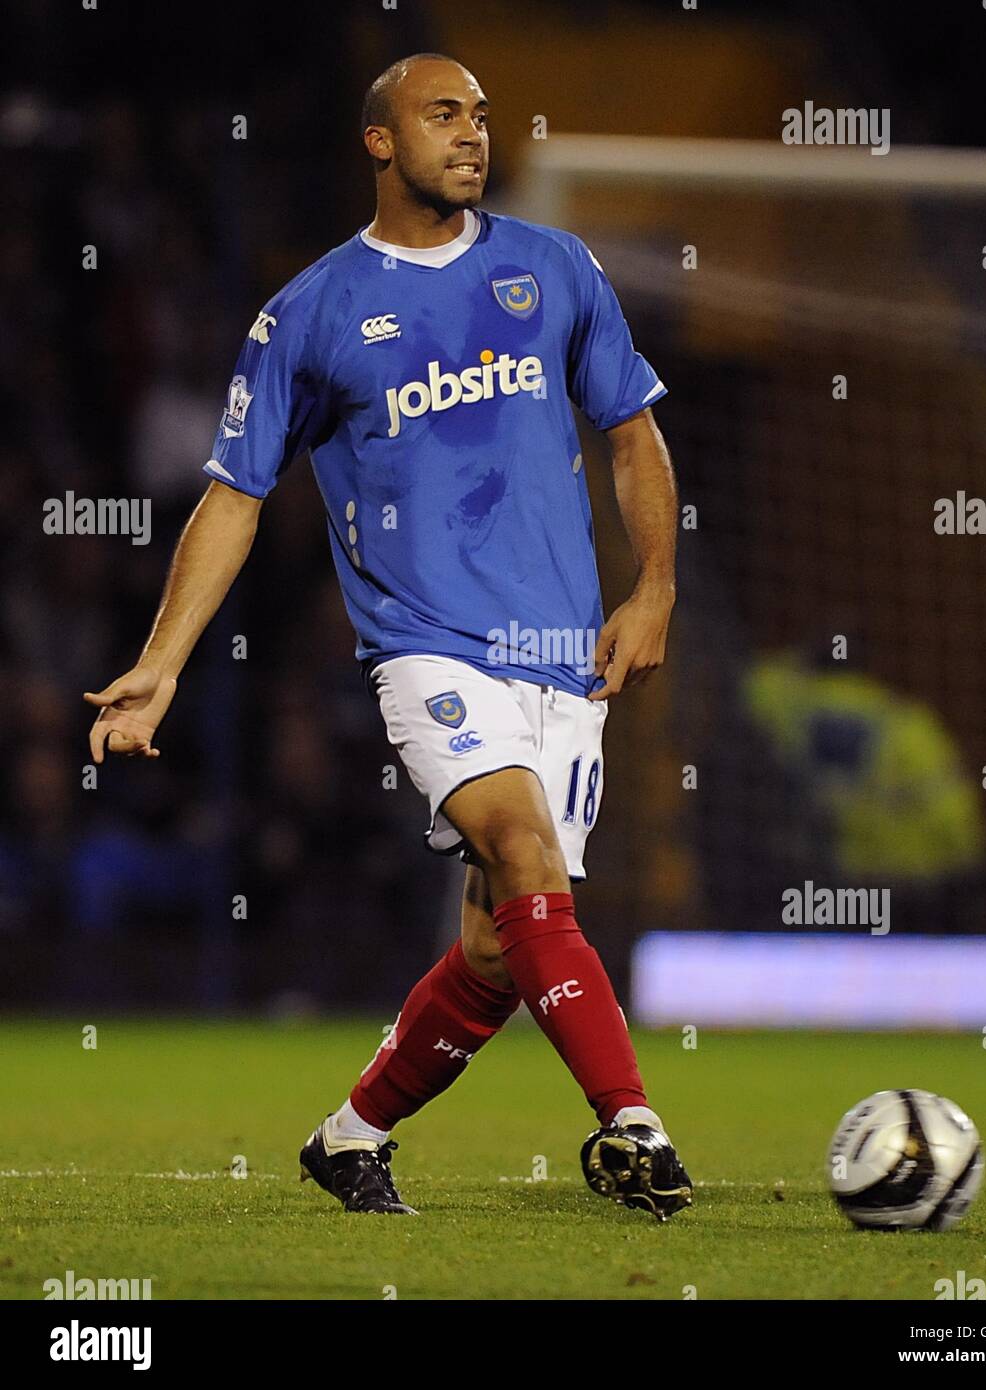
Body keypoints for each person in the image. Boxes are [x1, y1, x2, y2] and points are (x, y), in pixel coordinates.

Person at [85, 53, 691, 1221]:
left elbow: (632, 431)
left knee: (501, 953)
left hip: (563, 658)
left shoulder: (553, 267)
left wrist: (656, 585)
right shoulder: (308, 312)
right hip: (426, 647)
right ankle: (633, 1125)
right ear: (379, 141)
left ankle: (351, 1134)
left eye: (479, 114)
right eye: (442, 112)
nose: (473, 132)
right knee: (524, 856)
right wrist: (161, 665)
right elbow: (234, 493)